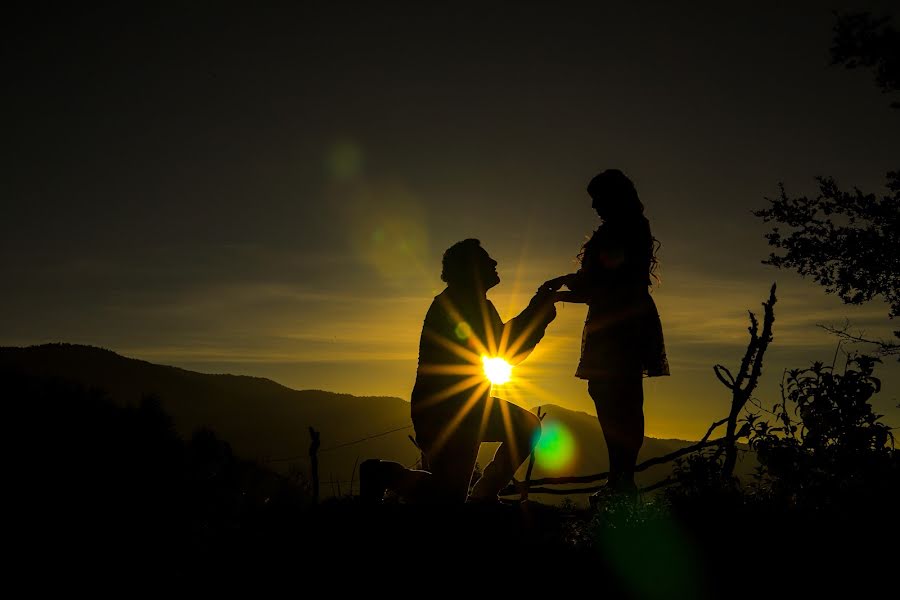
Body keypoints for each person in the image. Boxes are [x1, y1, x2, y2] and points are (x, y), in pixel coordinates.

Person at [360, 239, 560, 505]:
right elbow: (506, 349)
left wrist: (539, 308)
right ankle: (381, 473)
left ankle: (482, 496)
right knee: (448, 497)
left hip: (461, 410)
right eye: (486, 259)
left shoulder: (469, 302)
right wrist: (539, 309)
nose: (495, 263)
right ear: (471, 269)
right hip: (450, 414)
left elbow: (505, 348)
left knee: (525, 429)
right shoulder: (462, 303)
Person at [551, 169, 669, 501]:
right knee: (619, 396)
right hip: (622, 317)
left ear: (613, 197)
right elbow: (600, 283)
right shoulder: (631, 228)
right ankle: (620, 478)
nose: (594, 207)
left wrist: (562, 286)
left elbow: (599, 283)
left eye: (597, 199)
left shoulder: (622, 230)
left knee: (617, 396)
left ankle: (621, 480)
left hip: (619, 322)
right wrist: (564, 289)